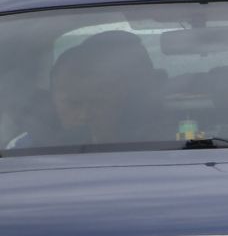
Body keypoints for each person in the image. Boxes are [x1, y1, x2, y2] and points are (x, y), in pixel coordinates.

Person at [6, 30, 156, 149]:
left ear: (121, 97)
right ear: (53, 99)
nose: (84, 115)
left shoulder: (159, 141)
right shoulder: (22, 149)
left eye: (97, 103)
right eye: (72, 104)